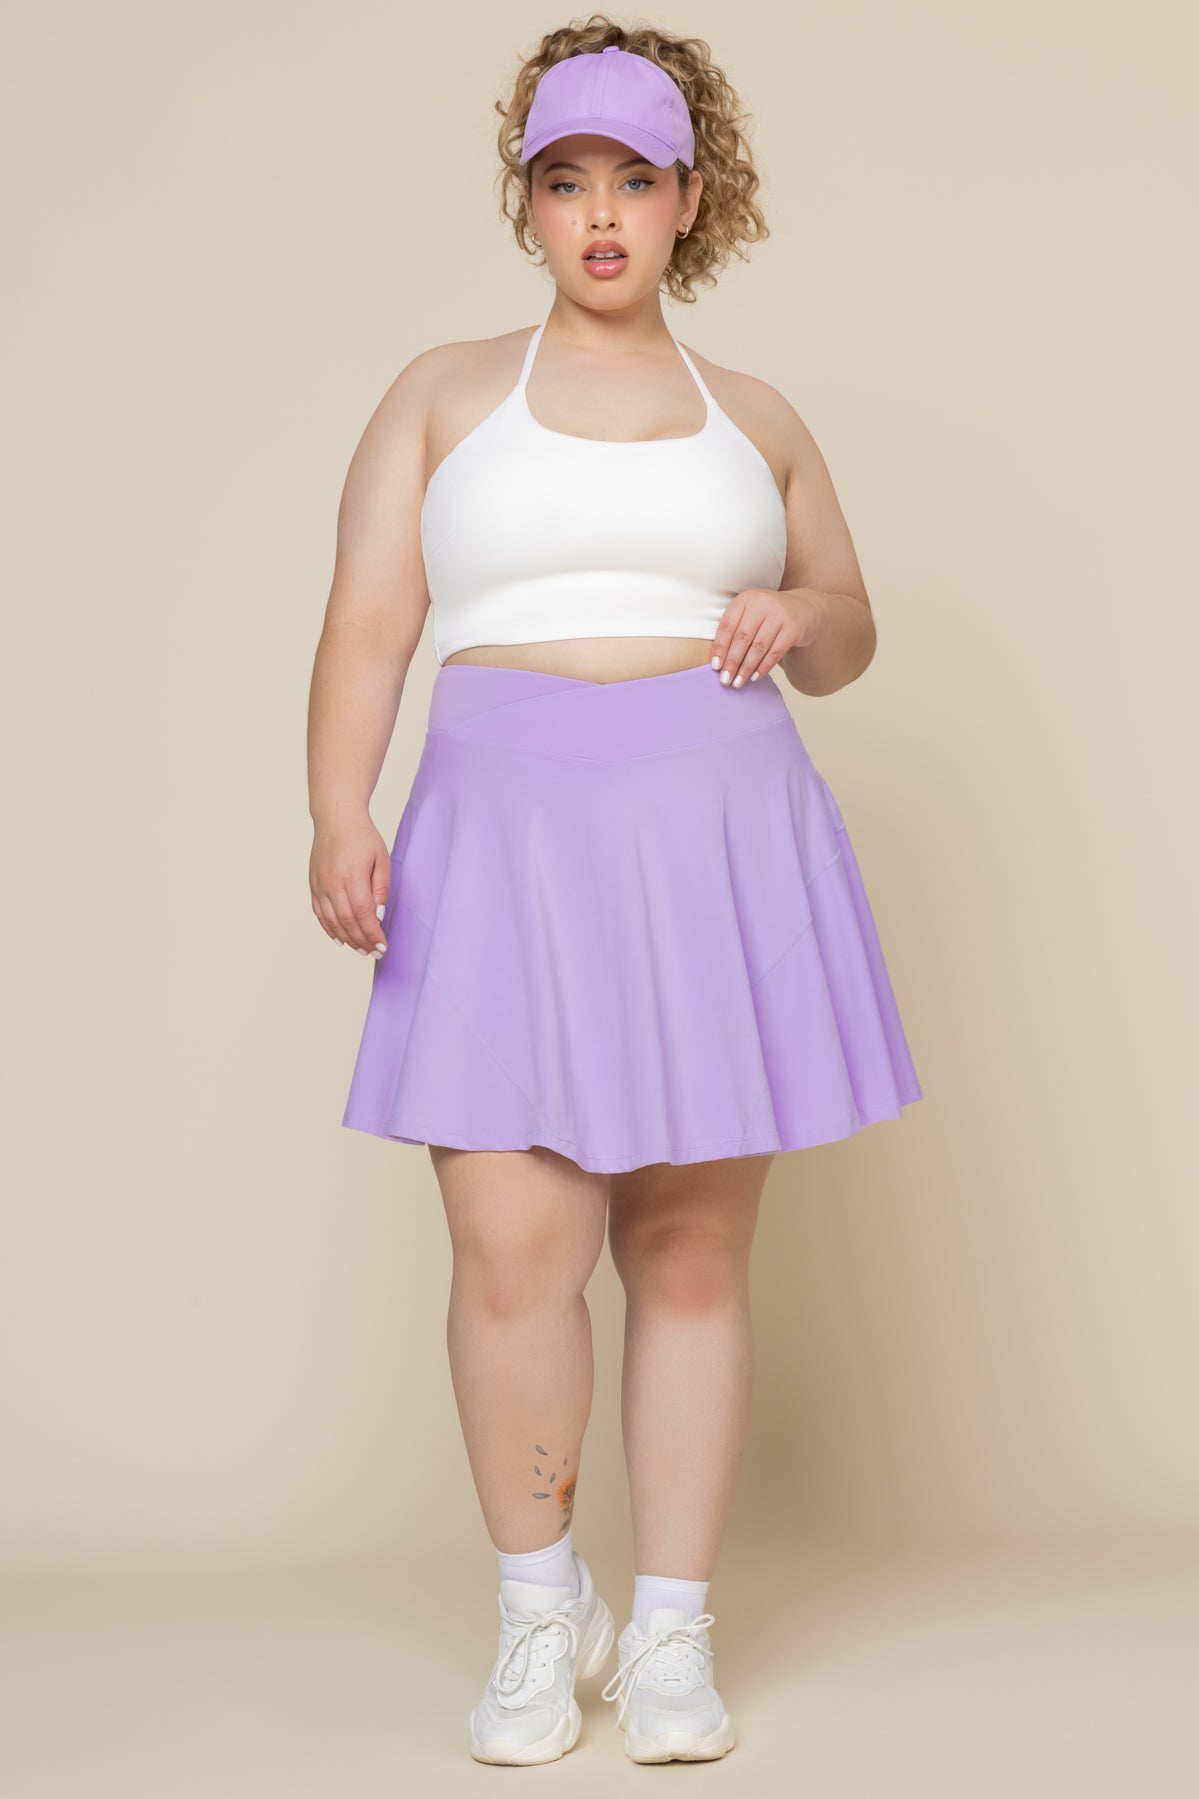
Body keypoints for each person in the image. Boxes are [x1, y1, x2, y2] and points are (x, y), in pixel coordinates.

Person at [307, 23, 924, 1768]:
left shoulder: (760, 420)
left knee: (687, 1250)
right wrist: (337, 810)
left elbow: (852, 629)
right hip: (500, 844)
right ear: (529, 202)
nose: (599, 215)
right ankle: (538, 1613)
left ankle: (669, 1634)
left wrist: (801, 618)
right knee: (514, 1252)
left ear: (688, 199)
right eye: (565, 181)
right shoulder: (440, 396)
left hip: (714, 838)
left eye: (633, 181)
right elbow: (370, 622)